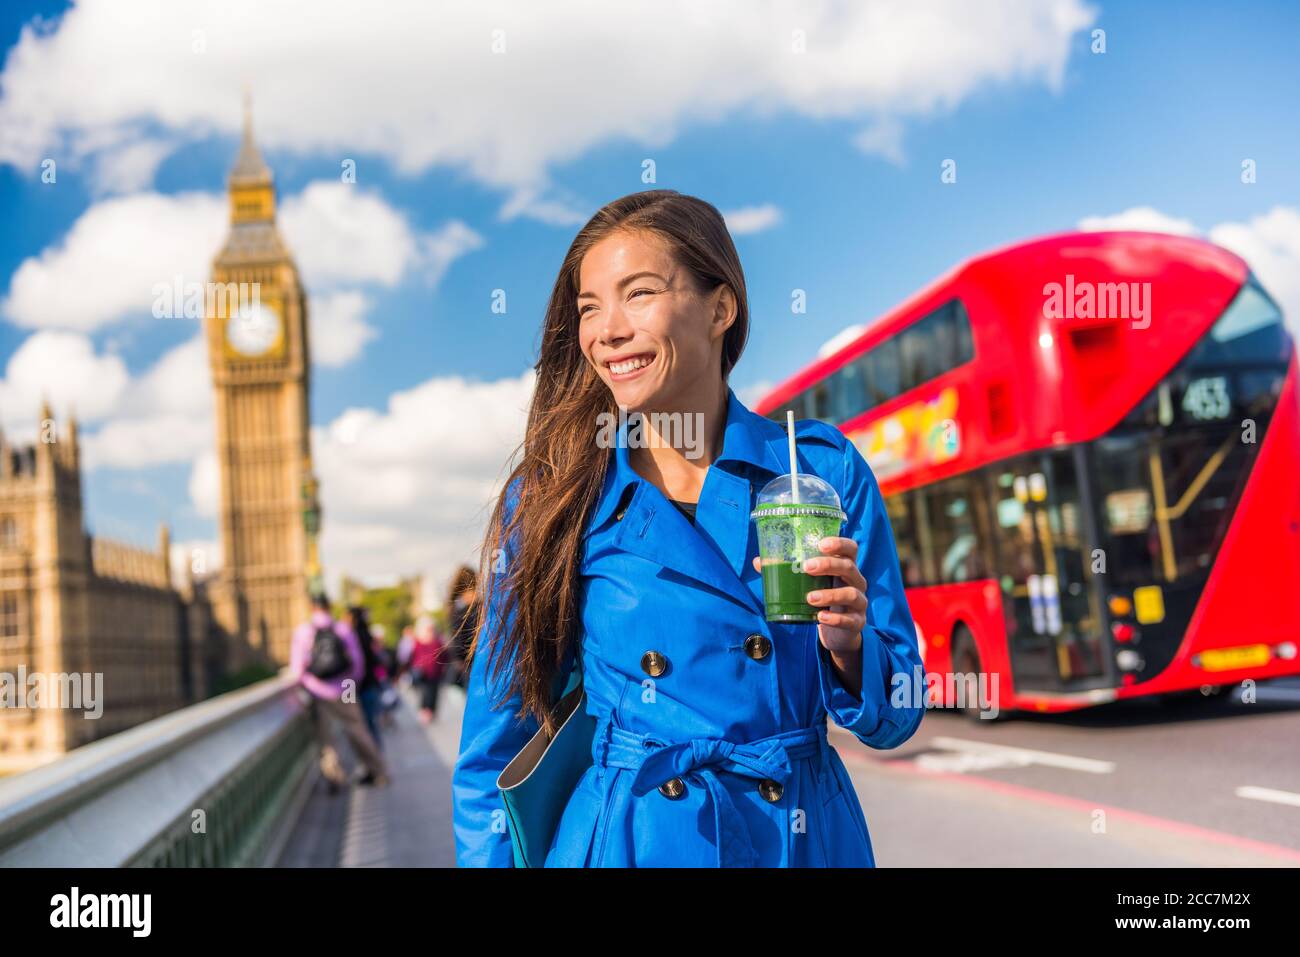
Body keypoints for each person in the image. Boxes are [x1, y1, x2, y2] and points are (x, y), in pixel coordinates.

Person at [452, 190, 924, 868]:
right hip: (632, 842)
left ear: (720, 308)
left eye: (637, 294)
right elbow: (492, 749)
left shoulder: (818, 469)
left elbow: (898, 711)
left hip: (796, 835)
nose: (606, 330)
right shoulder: (553, 496)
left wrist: (849, 650)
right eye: (589, 307)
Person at [289, 593, 389, 792]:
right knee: (358, 729)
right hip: (346, 687)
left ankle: (335, 777)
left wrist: (309, 683)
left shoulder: (304, 631)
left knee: (326, 737)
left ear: (312, 608)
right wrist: (351, 683)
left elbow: (297, 669)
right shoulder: (342, 629)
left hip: (317, 690)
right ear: (329, 607)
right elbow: (357, 663)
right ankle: (379, 771)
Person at [348, 605, 386, 750]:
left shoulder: (353, 636)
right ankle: (377, 758)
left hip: (355, 687)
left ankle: (375, 762)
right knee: (371, 723)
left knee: (362, 724)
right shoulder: (367, 635)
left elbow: (355, 666)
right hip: (370, 684)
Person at [409, 614, 447, 723]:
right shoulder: (417, 641)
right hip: (422, 672)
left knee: (433, 692)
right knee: (424, 692)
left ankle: (431, 711)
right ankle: (424, 710)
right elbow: (413, 656)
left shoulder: (438, 640)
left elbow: (444, 655)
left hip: (436, 672)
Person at [445, 566, 478, 688]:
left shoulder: (456, 607)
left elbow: (457, 637)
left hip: (467, 662)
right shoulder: (480, 604)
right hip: (480, 659)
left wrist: (458, 658)